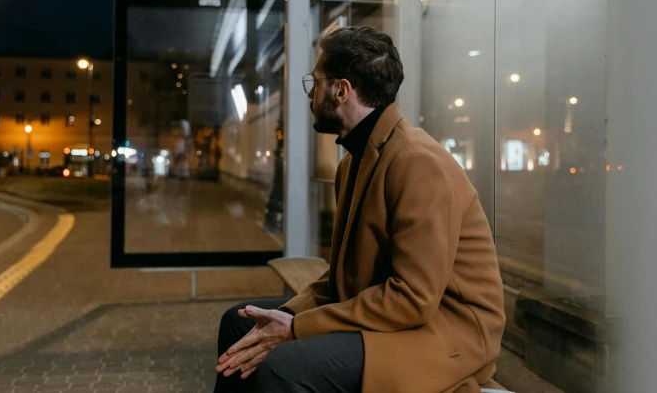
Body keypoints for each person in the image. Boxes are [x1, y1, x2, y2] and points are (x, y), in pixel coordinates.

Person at [214, 26, 505, 393]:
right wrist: (289, 314)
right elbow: (341, 275)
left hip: (445, 334)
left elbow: (412, 300)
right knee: (238, 324)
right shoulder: (353, 163)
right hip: (395, 317)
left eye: (315, 82)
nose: (311, 95)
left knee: (284, 367)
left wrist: (296, 329)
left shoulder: (416, 163)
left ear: (341, 90)